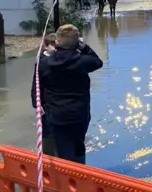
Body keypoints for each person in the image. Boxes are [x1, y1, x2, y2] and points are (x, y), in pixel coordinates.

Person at [38, 24, 103, 164]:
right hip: (79, 114)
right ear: (77, 43)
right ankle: (80, 171)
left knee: (62, 148)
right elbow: (98, 62)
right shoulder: (83, 61)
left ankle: (66, 177)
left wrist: (40, 107)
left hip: (57, 115)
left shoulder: (44, 64)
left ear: (56, 42)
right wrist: (84, 47)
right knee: (79, 146)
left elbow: (38, 87)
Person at [31, 33, 58, 156]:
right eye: (53, 45)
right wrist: (37, 103)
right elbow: (36, 84)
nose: (55, 48)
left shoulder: (57, 59)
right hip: (45, 101)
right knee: (46, 128)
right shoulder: (41, 62)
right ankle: (48, 153)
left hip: (53, 100)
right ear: (46, 46)